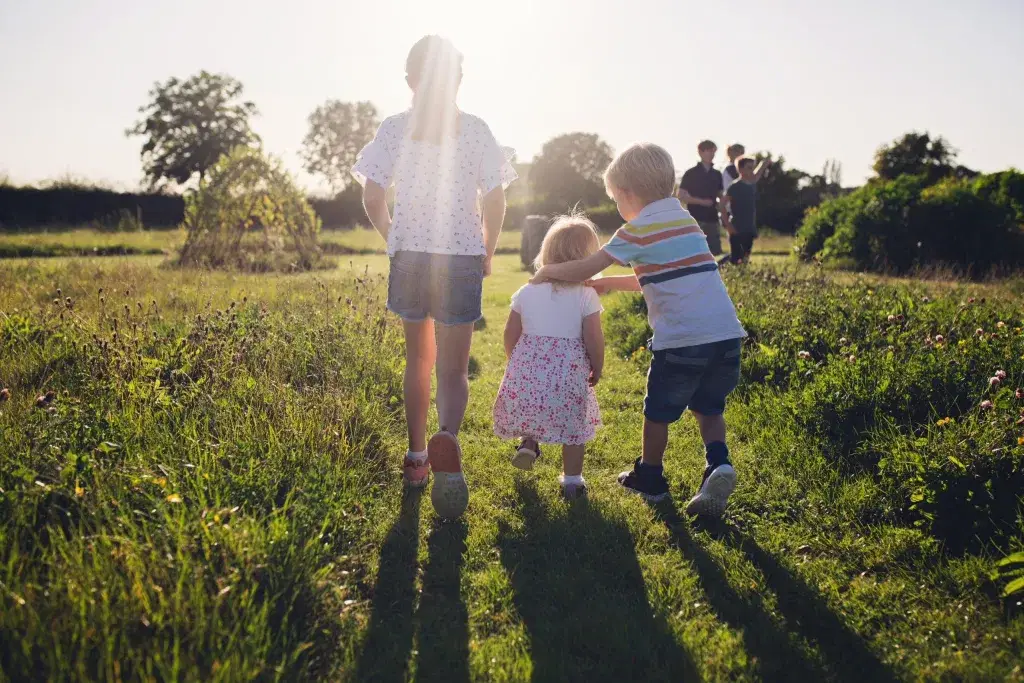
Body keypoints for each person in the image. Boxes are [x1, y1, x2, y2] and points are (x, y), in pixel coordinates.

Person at [531, 143, 746, 517]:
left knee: (657, 412)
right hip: (726, 336)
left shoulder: (635, 230)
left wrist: (547, 273)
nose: (617, 206)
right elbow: (655, 276)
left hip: (682, 339)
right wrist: (608, 284)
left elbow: (585, 267)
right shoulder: (685, 221)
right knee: (709, 407)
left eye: (615, 198)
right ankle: (718, 463)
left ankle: (650, 476)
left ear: (627, 194)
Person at [352, 35, 517, 519]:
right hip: (461, 255)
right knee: (453, 367)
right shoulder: (477, 129)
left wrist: (391, 236)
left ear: (410, 81)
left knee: (417, 361)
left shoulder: (394, 129)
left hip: (412, 256)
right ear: (459, 80)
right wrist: (487, 251)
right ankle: (449, 441)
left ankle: (418, 456)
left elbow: (373, 195)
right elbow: (495, 199)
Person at [492, 215, 604, 500]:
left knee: (533, 410)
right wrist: (597, 366)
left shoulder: (526, 291)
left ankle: (528, 444)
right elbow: (594, 338)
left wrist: (515, 361)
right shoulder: (585, 295)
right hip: (568, 373)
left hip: (528, 368)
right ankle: (572, 481)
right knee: (573, 427)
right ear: (587, 259)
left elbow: (509, 332)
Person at [677, 140, 724, 256]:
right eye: (709, 151)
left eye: (713, 151)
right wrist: (701, 202)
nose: (712, 154)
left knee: (714, 252)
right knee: (694, 253)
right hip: (695, 219)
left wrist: (723, 211)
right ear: (700, 152)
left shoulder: (717, 174)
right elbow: (681, 196)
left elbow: (721, 196)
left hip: (713, 219)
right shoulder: (690, 173)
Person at [721, 156, 764, 265]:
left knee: (745, 258)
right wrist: (728, 225)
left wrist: (765, 161)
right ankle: (717, 268)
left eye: (753, 168)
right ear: (740, 169)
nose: (752, 170)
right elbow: (721, 205)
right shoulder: (734, 187)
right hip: (736, 228)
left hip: (749, 228)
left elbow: (760, 171)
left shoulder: (752, 185)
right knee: (735, 258)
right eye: (749, 168)